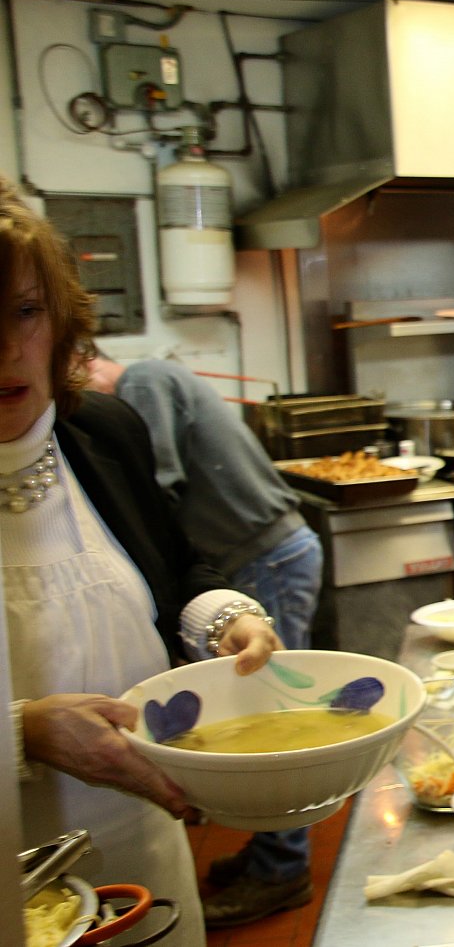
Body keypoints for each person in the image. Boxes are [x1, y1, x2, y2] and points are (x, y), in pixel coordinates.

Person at [2, 179, 282, 947]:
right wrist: (22, 731)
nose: (5, 350)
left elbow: (173, 573)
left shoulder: (101, 432)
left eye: (24, 311)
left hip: (143, 845)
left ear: (58, 316)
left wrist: (225, 617)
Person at [85, 353, 324, 928]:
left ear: (88, 359)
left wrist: (145, 568)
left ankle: (281, 872)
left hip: (261, 558)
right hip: (265, 554)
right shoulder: (156, 378)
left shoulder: (144, 381)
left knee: (274, 723)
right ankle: (269, 848)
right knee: (263, 712)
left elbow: (157, 489)